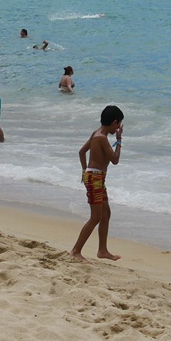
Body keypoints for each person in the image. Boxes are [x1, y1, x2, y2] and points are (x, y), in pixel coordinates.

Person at [69, 105, 125, 261]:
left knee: (106, 214)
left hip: (95, 177)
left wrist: (84, 171)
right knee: (95, 217)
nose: (119, 128)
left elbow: (81, 152)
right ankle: (75, 251)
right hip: (95, 179)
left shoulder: (96, 133)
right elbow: (115, 160)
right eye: (119, 124)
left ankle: (102, 250)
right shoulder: (101, 138)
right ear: (114, 122)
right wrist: (119, 141)